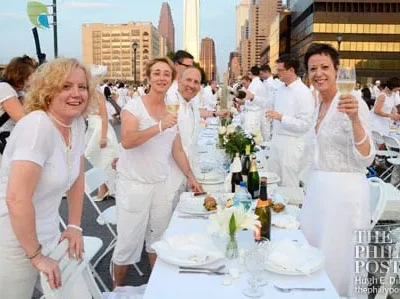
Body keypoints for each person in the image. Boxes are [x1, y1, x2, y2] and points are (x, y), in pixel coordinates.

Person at [0, 58, 95, 298]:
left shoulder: (75, 123)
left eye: (82, 87)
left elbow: (77, 176)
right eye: (65, 86)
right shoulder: (37, 126)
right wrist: (36, 256)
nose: (76, 94)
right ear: (47, 90)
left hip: (48, 232)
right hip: (12, 236)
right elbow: (16, 199)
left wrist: (74, 225)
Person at [112, 57, 202, 287]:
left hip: (160, 183)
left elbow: (177, 148)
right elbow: (128, 140)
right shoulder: (134, 106)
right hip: (134, 185)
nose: (162, 78)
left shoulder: (172, 108)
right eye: (157, 73)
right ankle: (116, 290)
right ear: (149, 77)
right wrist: (160, 125)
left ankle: (157, 289)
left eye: (166, 74)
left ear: (172, 79)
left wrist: (191, 177)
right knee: (127, 244)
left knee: (158, 239)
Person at [300, 43, 375, 298]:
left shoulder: (353, 104)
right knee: (314, 253)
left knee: (340, 261)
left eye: (324, 67)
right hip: (318, 194)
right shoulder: (318, 104)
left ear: (336, 70)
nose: (319, 73)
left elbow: (367, 157)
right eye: (313, 69)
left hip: (345, 197)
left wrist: (354, 120)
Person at [266, 54, 315, 188]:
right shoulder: (280, 88)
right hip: (276, 139)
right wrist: (252, 98)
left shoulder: (303, 92)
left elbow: (305, 124)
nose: (277, 73)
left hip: (292, 143)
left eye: (281, 70)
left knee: (289, 183)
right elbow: (268, 104)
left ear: (291, 70)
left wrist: (282, 117)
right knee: (272, 179)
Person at [85, 65, 119, 200]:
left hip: (100, 129)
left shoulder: (98, 95)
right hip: (93, 128)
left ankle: (105, 188)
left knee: (102, 160)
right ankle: (104, 188)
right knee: (98, 160)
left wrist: (103, 137)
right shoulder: (90, 94)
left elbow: (104, 116)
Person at [0, 55, 37, 159]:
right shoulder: (4, 89)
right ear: (21, 76)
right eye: (32, 76)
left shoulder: (19, 93)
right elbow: (23, 119)